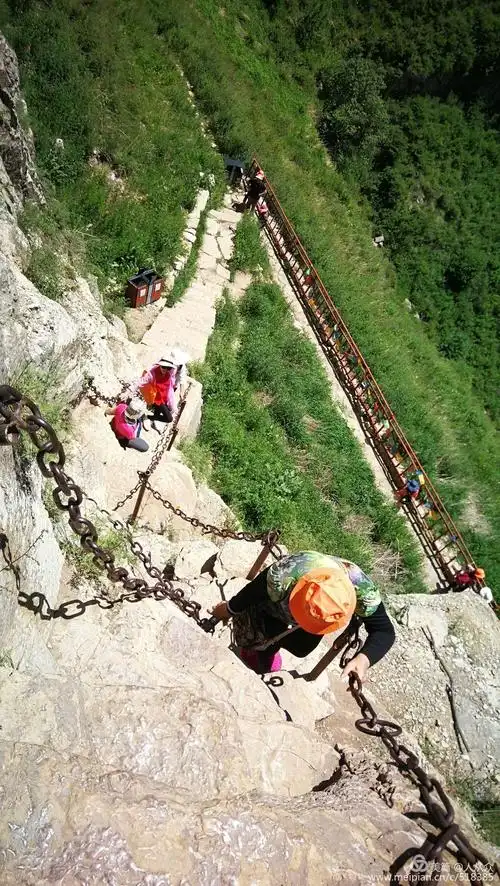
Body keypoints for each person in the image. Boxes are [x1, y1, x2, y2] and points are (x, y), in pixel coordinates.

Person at [211, 550, 395, 680]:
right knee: (257, 631)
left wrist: (364, 659)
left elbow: (384, 631)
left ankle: (270, 648)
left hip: (309, 611)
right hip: (277, 605)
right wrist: (228, 609)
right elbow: (252, 592)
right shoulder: (286, 574)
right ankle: (262, 649)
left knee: (301, 649)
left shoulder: (363, 592)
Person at [138, 357, 177, 431]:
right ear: (160, 365)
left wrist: (171, 402)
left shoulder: (169, 374)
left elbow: (170, 389)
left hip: (164, 399)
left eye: (168, 368)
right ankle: (148, 417)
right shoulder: (153, 373)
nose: (165, 370)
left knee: (157, 415)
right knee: (169, 419)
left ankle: (150, 418)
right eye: (163, 367)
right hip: (156, 399)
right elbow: (141, 382)